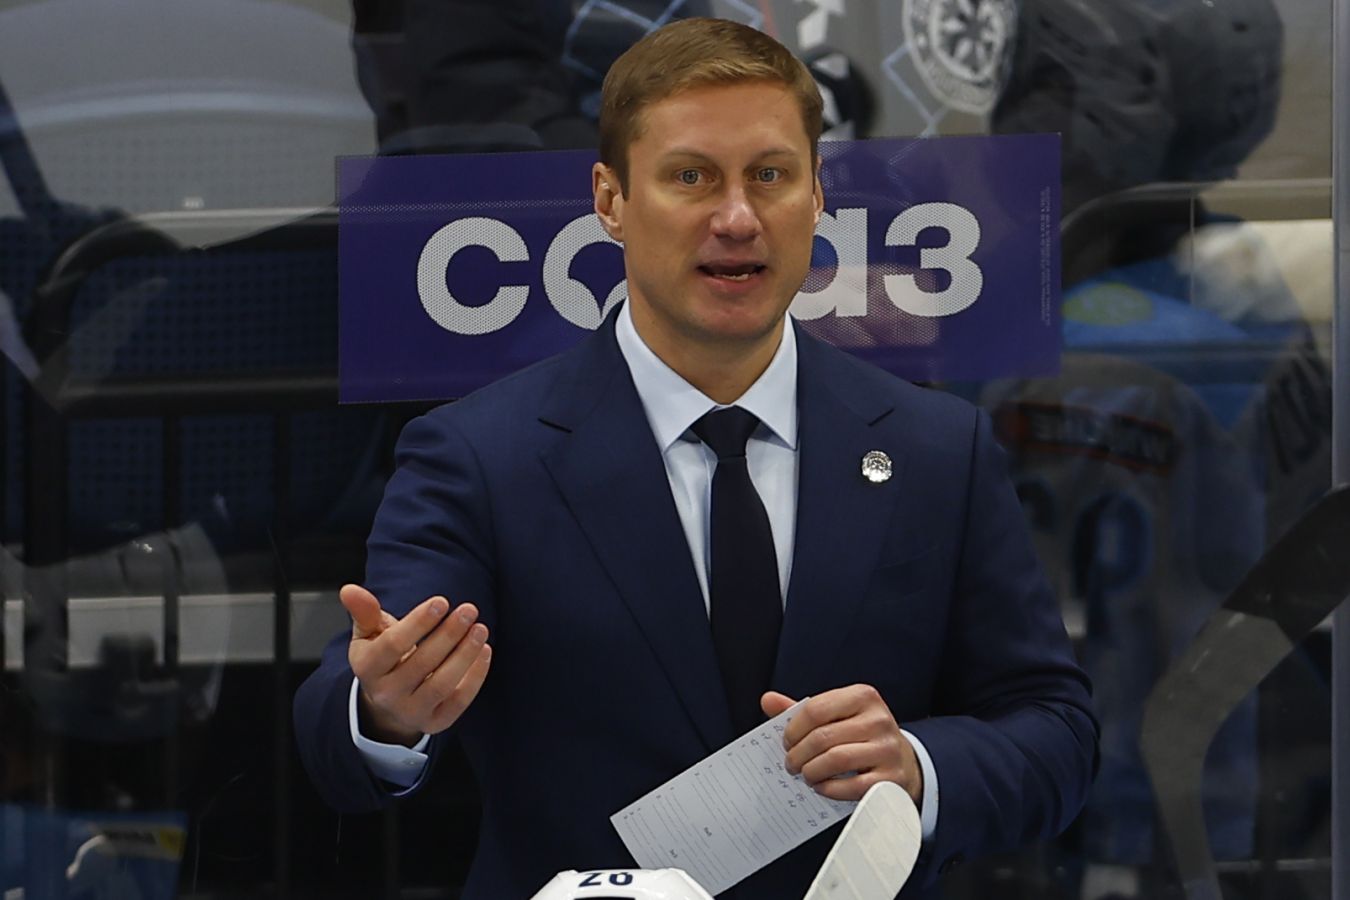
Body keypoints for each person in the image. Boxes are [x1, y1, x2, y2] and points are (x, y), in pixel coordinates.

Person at [294, 17, 1097, 899]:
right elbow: (341, 734)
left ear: (817, 195)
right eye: (691, 177)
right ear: (610, 200)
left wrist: (916, 765)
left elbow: (1055, 732)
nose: (738, 218)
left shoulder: (937, 448)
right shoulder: (480, 456)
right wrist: (385, 713)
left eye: (770, 176)